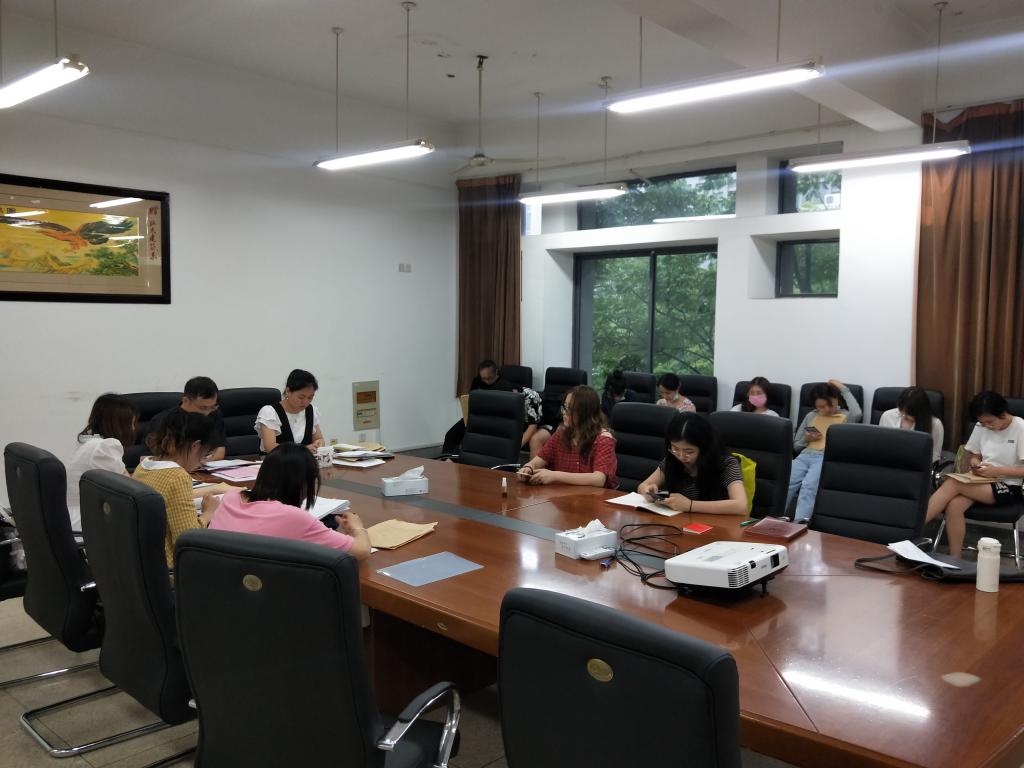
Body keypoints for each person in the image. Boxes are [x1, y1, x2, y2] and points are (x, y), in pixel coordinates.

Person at [210, 443, 371, 560]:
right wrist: (357, 527)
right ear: (303, 484)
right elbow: (362, 551)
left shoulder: (231, 497)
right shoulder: (293, 518)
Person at [925, 391, 1024, 559]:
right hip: (981, 480)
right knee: (954, 505)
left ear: (1003, 413)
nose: (987, 426)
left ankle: (910, 529)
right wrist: (976, 463)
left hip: (1009, 486)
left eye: (990, 422)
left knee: (954, 483)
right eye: (982, 423)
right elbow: (974, 455)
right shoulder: (981, 426)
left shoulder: (1020, 427)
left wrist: (997, 471)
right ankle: (955, 558)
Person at [133, 409, 218, 567]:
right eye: (205, 454)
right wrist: (209, 513)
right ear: (195, 446)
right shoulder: (178, 476)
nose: (203, 461)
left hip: (142, 558)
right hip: (169, 566)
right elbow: (188, 539)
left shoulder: (143, 466)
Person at [637, 412, 747, 515]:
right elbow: (643, 486)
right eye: (675, 448)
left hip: (714, 523)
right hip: (679, 521)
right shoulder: (672, 459)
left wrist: (690, 505)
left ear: (704, 448)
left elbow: (741, 505)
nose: (681, 456)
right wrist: (648, 491)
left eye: (689, 451)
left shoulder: (726, 464)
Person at [787, 379, 862, 522]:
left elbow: (857, 412)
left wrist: (841, 387)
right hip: (804, 455)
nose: (826, 410)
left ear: (836, 399)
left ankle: (800, 524)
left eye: (829, 405)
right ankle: (774, 519)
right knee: (787, 482)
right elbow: (796, 446)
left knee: (809, 487)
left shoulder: (845, 416)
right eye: (820, 407)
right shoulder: (811, 416)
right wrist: (807, 439)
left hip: (823, 457)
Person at [516, 386, 617, 488]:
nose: (564, 413)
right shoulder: (561, 433)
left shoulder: (603, 439)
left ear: (585, 413)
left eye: (569, 409)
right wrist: (528, 467)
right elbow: (538, 460)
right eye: (564, 407)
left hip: (594, 496)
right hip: (565, 494)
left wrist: (555, 476)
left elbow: (599, 479)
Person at [66, 394, 139, 531]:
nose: (134, 429)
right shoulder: (105, 447)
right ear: (120, 424)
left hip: (75, 518)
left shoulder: (89, 442)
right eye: (132, 423)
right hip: (87, 523)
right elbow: (132, 491)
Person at [442, 359, 540, 455]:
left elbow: (526, 424)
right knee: (451, 435)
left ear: (496, 372)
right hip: (478, 416)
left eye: (489, 378)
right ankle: (446, 460)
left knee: (479, 442)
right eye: (483, 379)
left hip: (495, 421)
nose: (486, 382)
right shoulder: (477, 381)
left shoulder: (506, 387)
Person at [147, 376, 228, 461]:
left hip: (204, 465)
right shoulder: (163, 420)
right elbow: (148, 457)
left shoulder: (214, 414)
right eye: (202, 408)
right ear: (186, 401)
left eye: (212, 406)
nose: (207, 413)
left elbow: (219, 451)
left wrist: (199, 462)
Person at [256, 369, 324, 453]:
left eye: (310, 397)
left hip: (304, 461)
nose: (306, 402)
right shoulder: (270, 413)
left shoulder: (311, 411)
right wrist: (304, 449)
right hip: (276, 460)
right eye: (301, 397)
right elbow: (270, 447)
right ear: (288, 391)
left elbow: (319, 439)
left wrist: (318, 444)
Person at [878, 386, 944, 462]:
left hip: (918, 465)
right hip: (890, 463)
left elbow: (935, 456)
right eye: (901, 410)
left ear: (920, 413)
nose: (903, 416)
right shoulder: (887, 416)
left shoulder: (935, 425)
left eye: (908, 414)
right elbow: (881, 447)